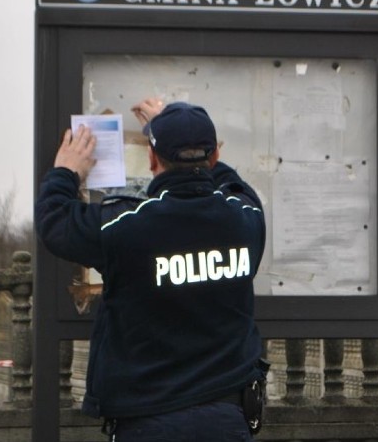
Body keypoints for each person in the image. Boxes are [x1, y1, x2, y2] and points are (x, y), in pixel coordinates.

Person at [35, 99, 267, 441]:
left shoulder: (125, 226)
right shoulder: (247, 219)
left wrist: (65, 171)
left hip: (147, 421)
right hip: (226, 419)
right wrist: (181, 136)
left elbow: (55, 221)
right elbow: (234, 187)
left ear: (152, 159)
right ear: (215, 157)